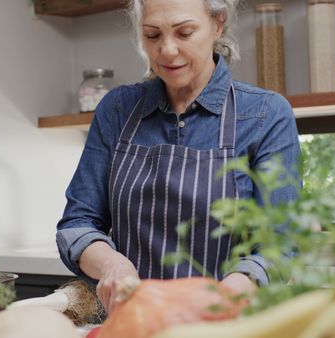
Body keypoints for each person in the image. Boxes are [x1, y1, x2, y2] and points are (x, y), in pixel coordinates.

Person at [56, 0, 300, 314]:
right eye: (153, 35)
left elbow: (280, 247)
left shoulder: (265, 114)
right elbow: (77, 224)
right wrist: (112, 265)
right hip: (132, 324)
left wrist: (223, 297)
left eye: (184, 33)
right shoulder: (118, 109)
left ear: (217, 24)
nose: (167, 50)